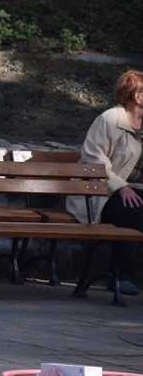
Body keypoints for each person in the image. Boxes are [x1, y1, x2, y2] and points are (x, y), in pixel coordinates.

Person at [67, 69, 143, 296]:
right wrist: (121, 187)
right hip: (102, 193)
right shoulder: (109, 119)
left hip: (135, 191)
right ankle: (120, 275)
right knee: (133, 212)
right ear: (137, 96)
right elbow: (94, 159)